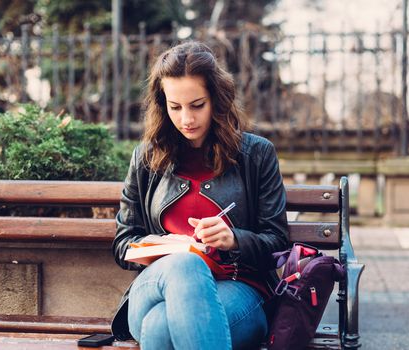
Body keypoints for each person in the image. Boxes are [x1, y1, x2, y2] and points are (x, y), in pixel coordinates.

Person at [111, 41, 289, 350]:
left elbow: (277, 241)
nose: (186, 119)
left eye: (197, 105)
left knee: (158, 329)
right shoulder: (146, 158)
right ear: (162, 104)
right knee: (185, 264)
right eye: (175, 107)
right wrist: (153, 245)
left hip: (239, 287)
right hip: (156, 286)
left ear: (217, 101)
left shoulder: (256, 155)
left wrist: (234, 239)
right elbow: (123, 242)